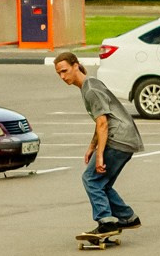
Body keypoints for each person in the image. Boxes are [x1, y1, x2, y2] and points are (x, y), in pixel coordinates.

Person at [52, 50, 143, 237]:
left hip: (118, 139)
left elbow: (103, 123)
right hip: (126, 139)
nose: (62, 76)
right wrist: (92, 147)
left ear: (75, 65)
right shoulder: (90, 85)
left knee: (91, 179)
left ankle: (106, 221)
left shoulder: (90, 89)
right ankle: (127, 218)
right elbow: (101, 120)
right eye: (59, 73)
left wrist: (99, 155)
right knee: (103, 184)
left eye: (64, 70)